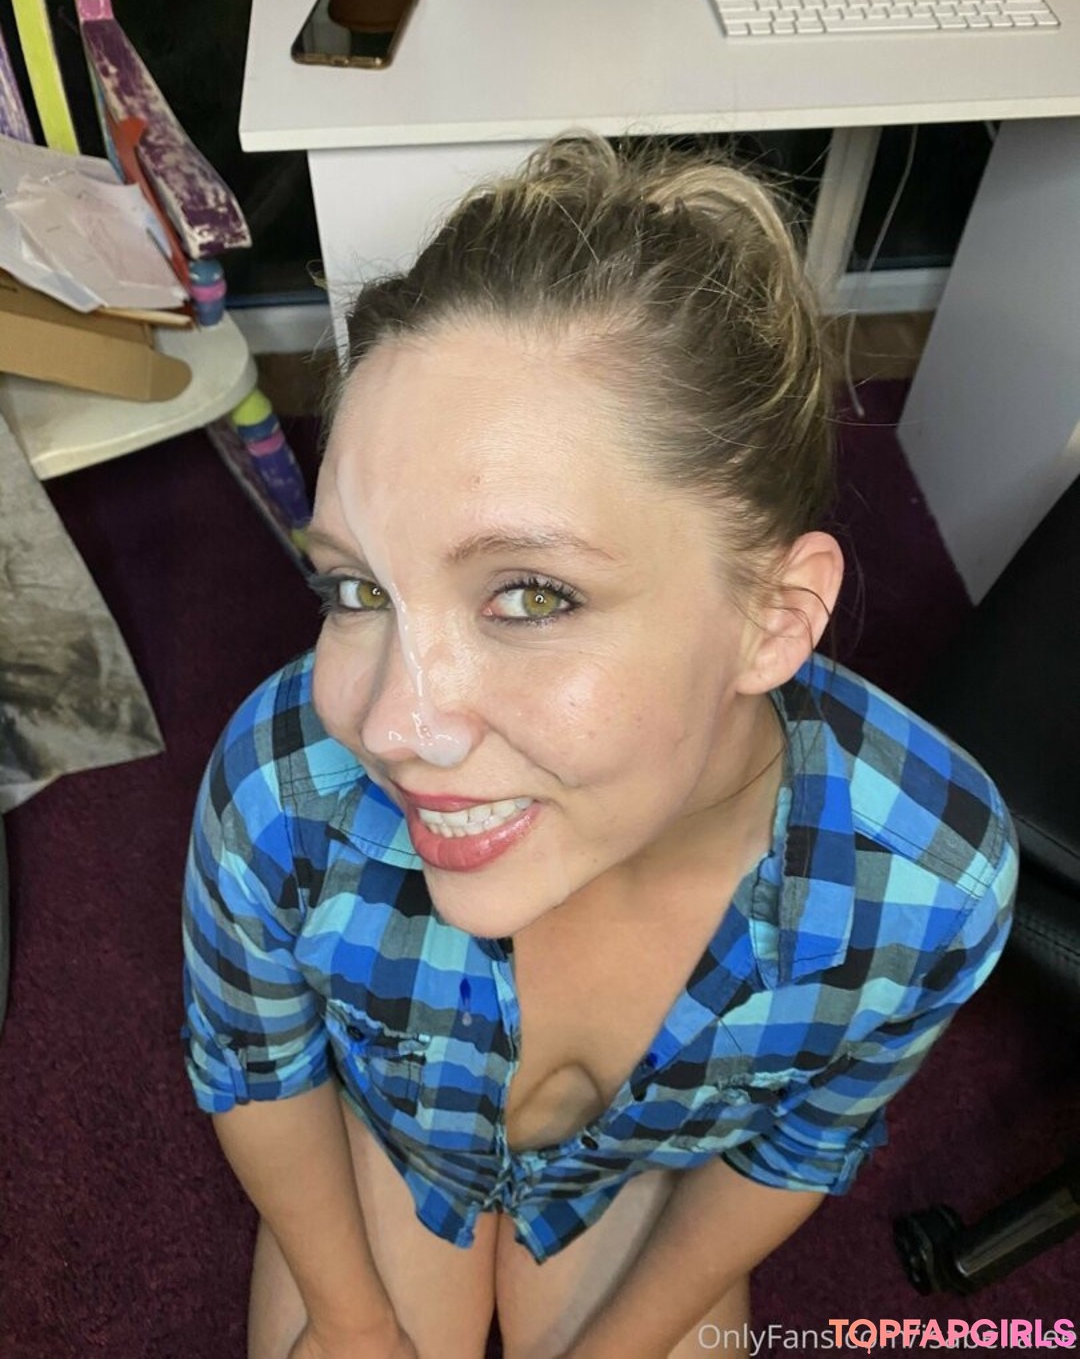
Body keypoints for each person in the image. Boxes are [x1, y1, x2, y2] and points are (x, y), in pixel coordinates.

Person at [180, 134, 1018, 1359]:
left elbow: (797, 1149)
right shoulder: (282, 787)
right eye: (357, 588)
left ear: (773, 617)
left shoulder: (928, 881)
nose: (389, 726)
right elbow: (259, 1071)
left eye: (531, 594)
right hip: (400, 1142)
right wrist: (352, 1319)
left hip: (630, 1175)